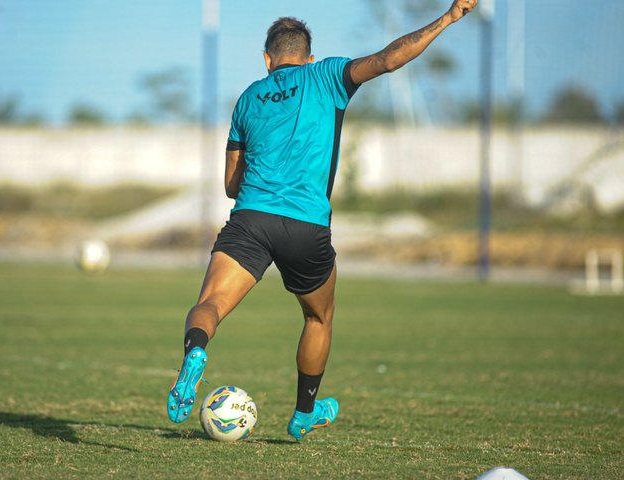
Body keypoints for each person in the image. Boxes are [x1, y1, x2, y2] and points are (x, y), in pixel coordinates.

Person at [168, 0, 478, 440]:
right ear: (309, 57)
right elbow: (390, 59)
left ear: (267, 59)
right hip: (306, 227)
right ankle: (303, 413)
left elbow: (231, 184)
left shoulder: (249, 97)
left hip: (251, 218)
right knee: (318, 318)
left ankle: (196, 352)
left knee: (211, 303)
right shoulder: (327, 75)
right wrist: (448, 17)